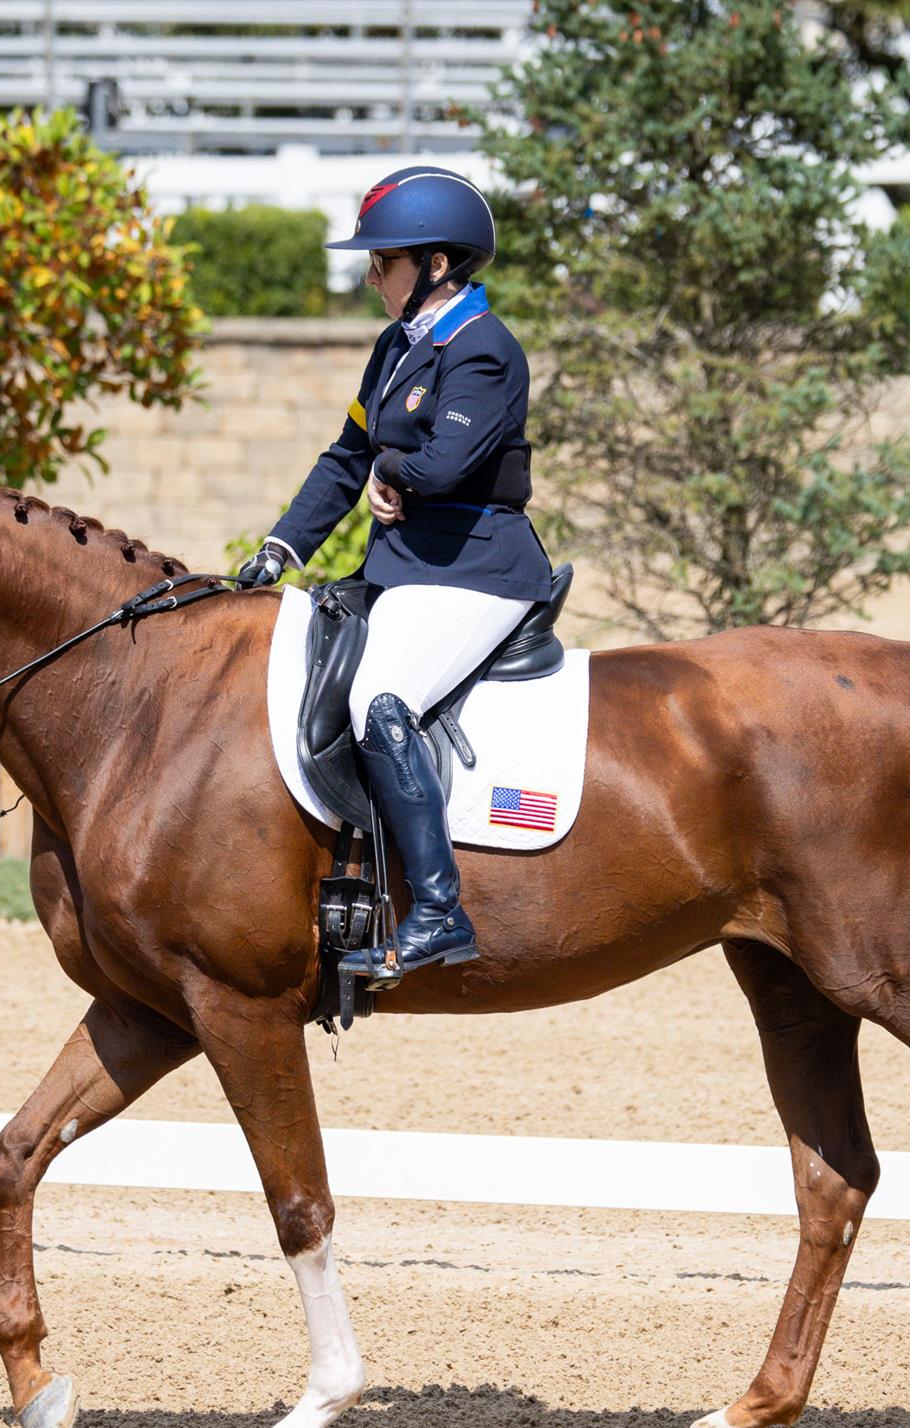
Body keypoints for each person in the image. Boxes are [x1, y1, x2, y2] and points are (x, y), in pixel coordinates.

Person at [236, 165, 554, 984]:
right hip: (409, 569)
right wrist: (282, 548)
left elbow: (443, 466)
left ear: (437, 267)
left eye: (386, 261)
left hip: (477, 570)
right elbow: (347, 458)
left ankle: (442, 911)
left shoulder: (482, 349)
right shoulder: (395, 347)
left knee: (381, 701)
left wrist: (392, 471)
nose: (372, 274)